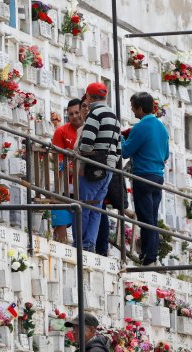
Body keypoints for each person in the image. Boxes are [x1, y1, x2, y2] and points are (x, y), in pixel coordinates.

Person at [121, 91, 169, 266]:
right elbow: (166, 154)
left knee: (144, 218)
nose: (132, 111)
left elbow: (125, 151)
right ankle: (151, 255)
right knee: (152, 217)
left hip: (142, 176)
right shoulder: (162, 127)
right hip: (158, 177)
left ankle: (149, 257)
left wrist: (118, 137)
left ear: (140, 108)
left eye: (133, 107)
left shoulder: (140, 127)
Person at [77, 82, 121, 253]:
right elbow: (118, 148)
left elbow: (87, 143)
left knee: (84, 205)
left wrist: (81, 153)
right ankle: (90, 243)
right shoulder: (113, 116)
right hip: (109, 166)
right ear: (105, 97)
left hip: (93, 165)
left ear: (88, 96)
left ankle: (81, 243)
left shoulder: (94, 114)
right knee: (97, 207)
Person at [50, 99, 84, 243]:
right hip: (64, 183)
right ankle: (60, 242)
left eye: (77, 112)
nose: (75, 116)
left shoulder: (90, 129)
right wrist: (71, 169)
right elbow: (57, 157)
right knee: (59, 212)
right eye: (71, 114)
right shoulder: (61, 131)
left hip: (84, 183)